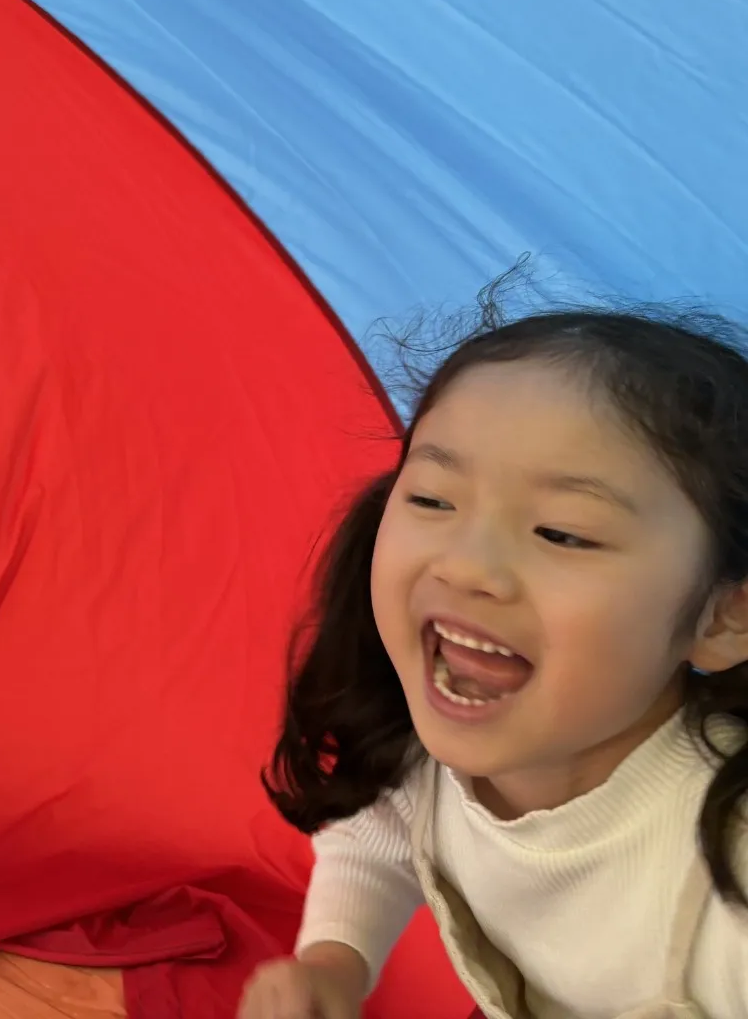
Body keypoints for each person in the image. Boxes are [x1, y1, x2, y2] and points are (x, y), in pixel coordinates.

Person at [240, 309, 748, 1019]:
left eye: (562, 533)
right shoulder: (420, 759)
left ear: (723, 617)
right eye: (432, 499)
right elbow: (379, 831)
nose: (466, 565)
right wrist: (335, 960)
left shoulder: (727, 880)